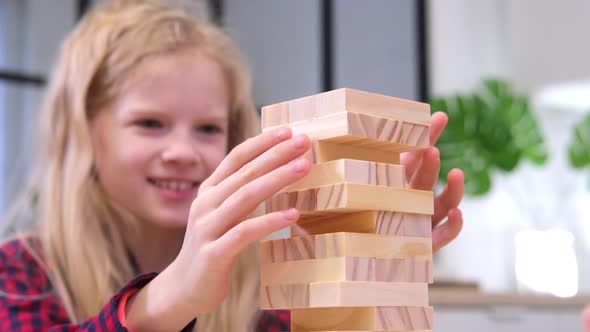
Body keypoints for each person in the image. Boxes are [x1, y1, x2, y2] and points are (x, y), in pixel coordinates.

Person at [0, 0, 464, 331]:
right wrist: (164, 303)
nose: (183, 151)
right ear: (83, 134)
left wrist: (369, 280)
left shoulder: (264, 289)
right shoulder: (20, 273)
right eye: (149, 123)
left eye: (207, 129)